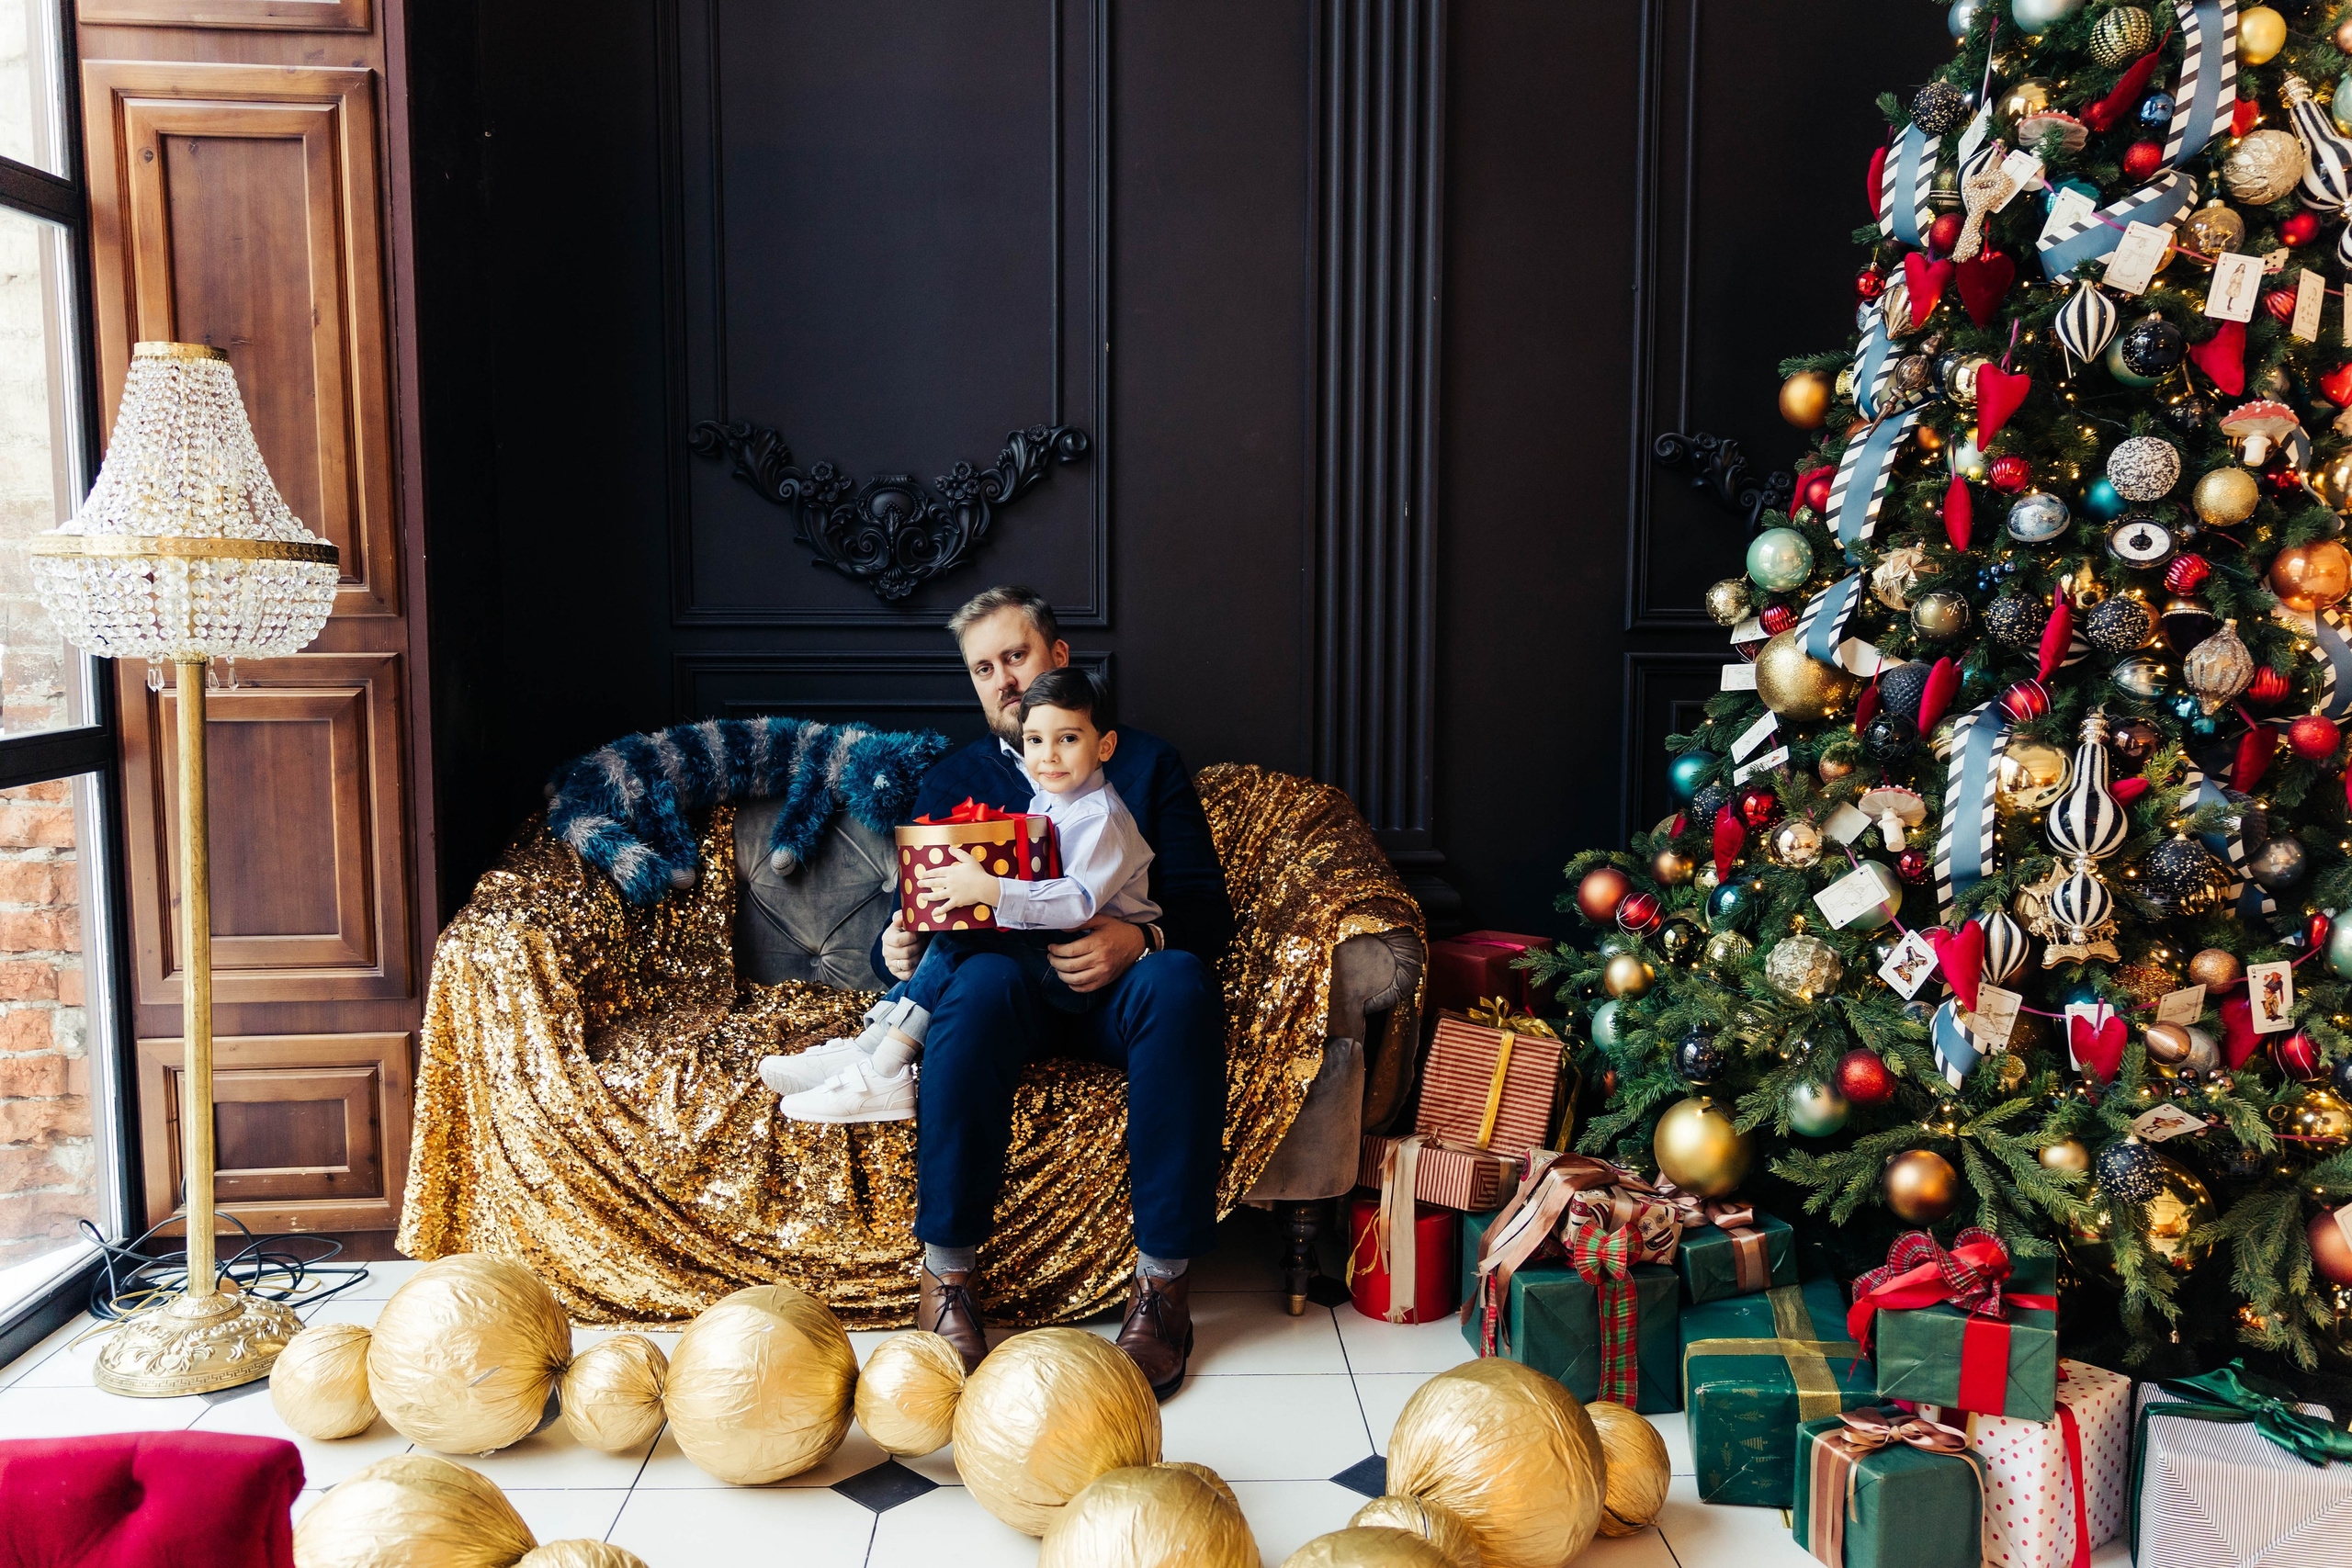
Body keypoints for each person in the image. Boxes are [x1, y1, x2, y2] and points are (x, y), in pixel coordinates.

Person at [759, 585, 1231, 1398]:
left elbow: (1205, 914)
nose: (1005, 680)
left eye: (1016, 656)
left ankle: (1162, 1289)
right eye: (984, 668)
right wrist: (895, 947)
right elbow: (913, 917)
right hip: (1005, 997)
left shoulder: (1145, 764)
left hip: (1118, 997)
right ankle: (946, 1281)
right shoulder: (954, 778)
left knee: (1181, 981)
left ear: (1058, 659)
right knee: (971, 980)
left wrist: (1140, 939)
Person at [767, 666, 1159, 1122]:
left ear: (1104, 746)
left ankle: (886, 1069)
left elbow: (1075, 903)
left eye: (1067, 739)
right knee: (958, 933)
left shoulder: (1102, 819)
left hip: (1087, 979)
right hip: (1048, 954)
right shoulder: (1048, 803)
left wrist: (991, 890)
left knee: (964, 940)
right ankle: (870, 1051)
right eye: (1035, 741)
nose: (1048, 756)